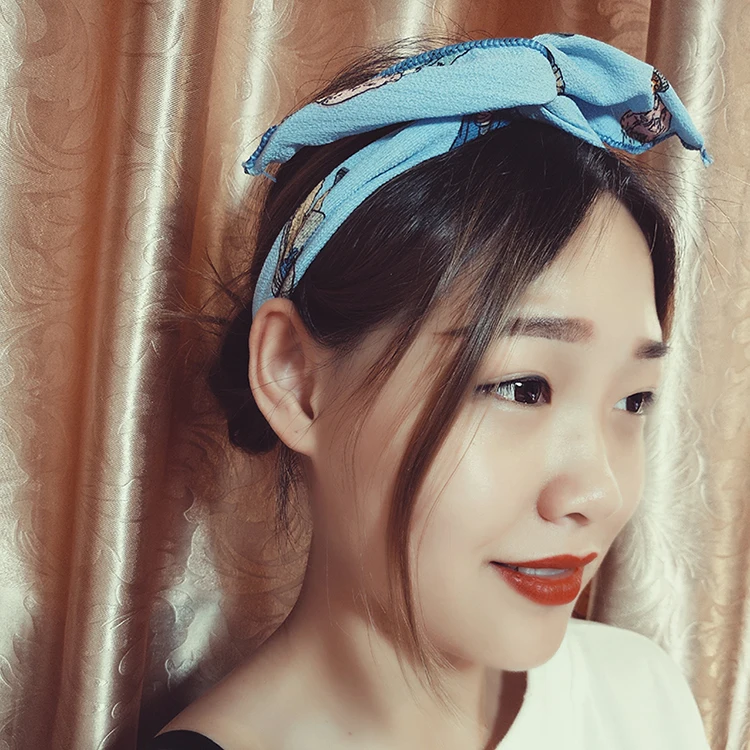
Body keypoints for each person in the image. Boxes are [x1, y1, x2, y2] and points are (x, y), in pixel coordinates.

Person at [146, 32, 713, 750]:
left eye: (634, 400)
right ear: (295, 377)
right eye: (523, 387)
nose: (598, 494)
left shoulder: (642, 693)